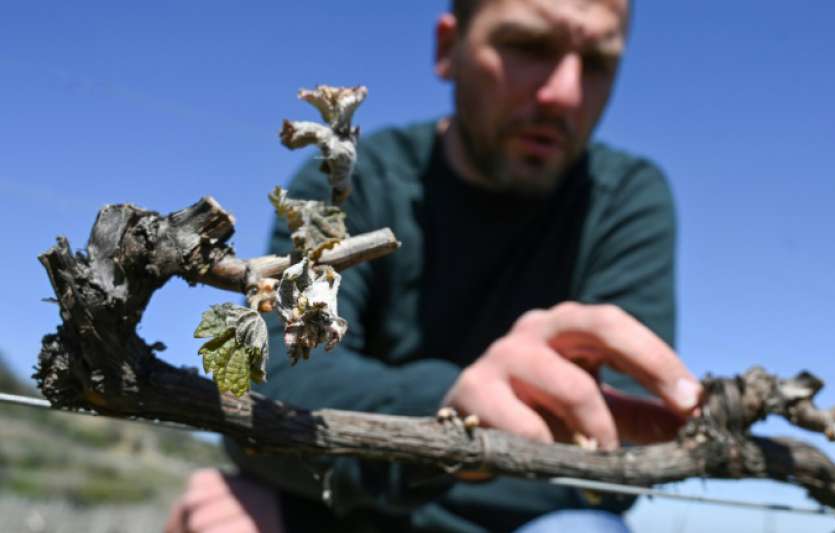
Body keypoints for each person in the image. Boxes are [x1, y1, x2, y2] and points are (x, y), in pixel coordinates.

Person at [165, 0, 702, 531]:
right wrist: (452, 406)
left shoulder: (624, 201)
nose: (563, 93)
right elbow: (270, 391)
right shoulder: (351, 184)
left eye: (597, 63)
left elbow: (609, 474)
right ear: (449, 48)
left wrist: (303, 514)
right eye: (527, 47)